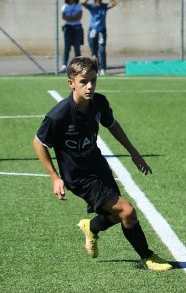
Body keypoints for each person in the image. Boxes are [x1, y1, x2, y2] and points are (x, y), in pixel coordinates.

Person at [33, 57, 172, 272]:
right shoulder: (58, 115)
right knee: (127, 211)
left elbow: (112, 125)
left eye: (93, 80)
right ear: (71, 83)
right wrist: (54, 177)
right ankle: (148, 257)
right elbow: (39, 143)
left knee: (117, 214)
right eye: (84, 81)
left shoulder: (99, 102)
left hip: (98, 165)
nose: (90, 86)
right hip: (78, 176)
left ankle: (91, 226)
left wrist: (133, 152)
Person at [82, 0, 117, 76]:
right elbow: (82, 2)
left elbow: (114, 3)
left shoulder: (104, 6)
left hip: (101, 31)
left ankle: (103, 68)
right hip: (93, 31)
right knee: (94, 52)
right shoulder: (92, 6)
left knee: (101, 50)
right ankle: (95, 69)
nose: (98, 1)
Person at [59, 0, 84, 73]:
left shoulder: (78, 6)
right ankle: (64, 65)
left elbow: (79, 17)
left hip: (77, 28)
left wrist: (70, 17)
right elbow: (64, 17)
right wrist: (72, 17)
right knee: (67, 47)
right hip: (68, 28)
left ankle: (78, 64)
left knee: (77, 47)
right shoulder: (65, 6)